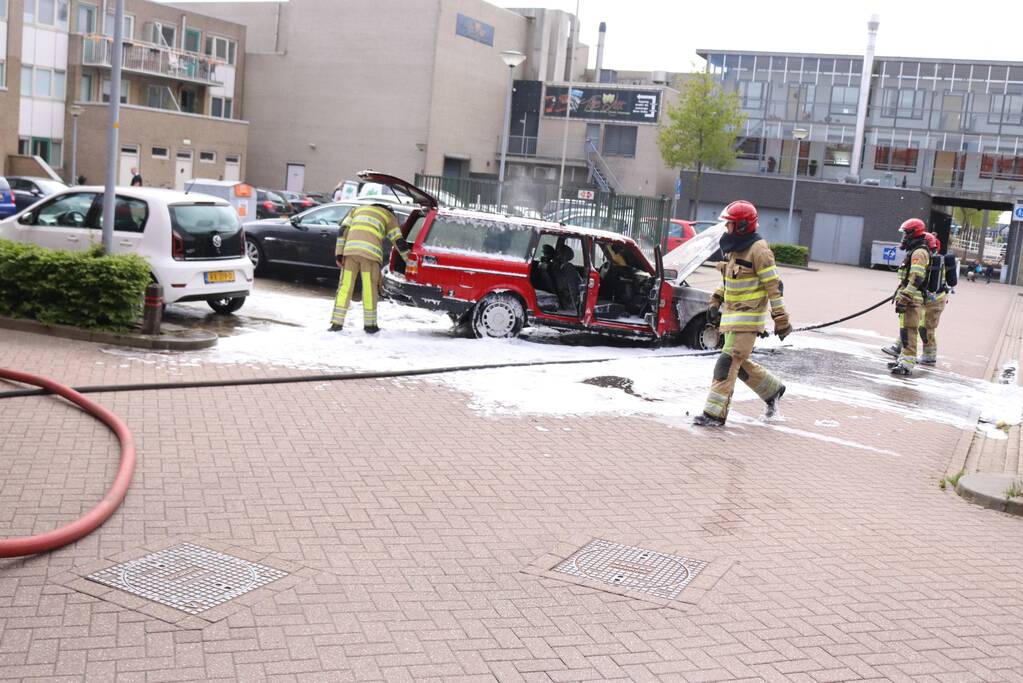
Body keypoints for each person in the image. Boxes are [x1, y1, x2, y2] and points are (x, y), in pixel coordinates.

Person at [693, 200, 790, 427]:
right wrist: (715, 300)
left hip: (747, 321)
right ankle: (772, 390)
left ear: (743, 226)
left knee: (726, 364)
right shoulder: (735, 249)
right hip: (732, 319)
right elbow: (728, 279)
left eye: (729, 224)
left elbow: (774, 286)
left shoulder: (759, 250)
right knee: (739, 363)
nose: (726, 229)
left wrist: (781, 319)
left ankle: (713, 414)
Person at [328, 203, 407, 334]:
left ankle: (336, 323)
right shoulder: (389, 216)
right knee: (369, 289)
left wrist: (339, 254)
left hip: (350, 253)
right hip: (370, 255)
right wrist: (409, 261)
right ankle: (370, 326)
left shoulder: (357, 210)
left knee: (345, 286)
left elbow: (342, 230)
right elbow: (398, 240)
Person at [889, 218, 931, 377]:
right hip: (909, 298)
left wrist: (905, 298)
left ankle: (907, 365)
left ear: (914, 233)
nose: (903, 237)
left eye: (906, 234)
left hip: (912, 299)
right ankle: (903, 360)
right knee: (905, 330)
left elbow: (917, 278)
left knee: (910, 331)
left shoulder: (919, 252)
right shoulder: (915, 251)